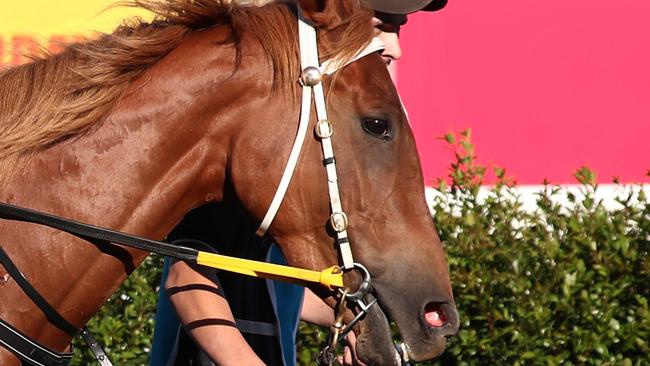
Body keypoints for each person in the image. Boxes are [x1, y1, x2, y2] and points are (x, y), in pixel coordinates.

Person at [150, 1, 448, 365]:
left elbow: (274, 286)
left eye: (398, 28)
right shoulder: (242, 155)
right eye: (380, 26)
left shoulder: (300, 173)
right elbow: (186, 279)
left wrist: (356, 325)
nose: (396, 49)